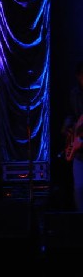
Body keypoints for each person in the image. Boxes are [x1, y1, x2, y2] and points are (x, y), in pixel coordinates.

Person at [61, 60, 83, 211]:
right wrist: (68, 128)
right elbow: (70, 114)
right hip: (80, 152)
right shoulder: (74, 94)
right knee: (79, 189)